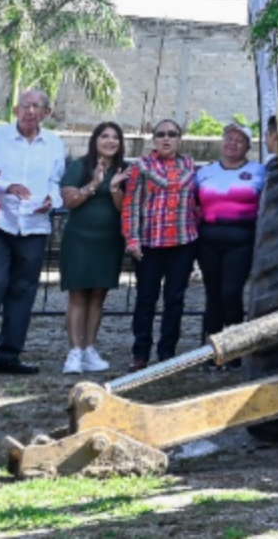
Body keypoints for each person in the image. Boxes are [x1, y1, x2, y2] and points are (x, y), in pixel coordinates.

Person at [0, 88, 67, 376]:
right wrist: (6, 186)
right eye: (26, 105)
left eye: (38, 106)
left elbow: (55, 181)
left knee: (23, 291)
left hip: (35, 225)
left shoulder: (54, 144)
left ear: (47, 113)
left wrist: (52, 200)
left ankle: (9, 355)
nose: (31, 111)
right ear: (15, 110)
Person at [123, 119, 199, 370]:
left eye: (172, 134)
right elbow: (131, 205)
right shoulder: (141, 167)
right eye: (161, 134)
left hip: (182, 242)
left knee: (175, 299)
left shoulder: (189, 164)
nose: (167, 139)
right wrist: (132, 239)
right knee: (146, 299)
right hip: (150, 243)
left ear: (179, 138)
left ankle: (167, 353)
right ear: (154, 139)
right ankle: (140, 353)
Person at [58, 122, 131, 375]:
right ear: (95, 140)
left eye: (115, 137)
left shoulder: (125, 170)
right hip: (80, 238)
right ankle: (74, 351)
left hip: (109, 239)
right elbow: (69, 201)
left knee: (98, 296)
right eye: (105, 136)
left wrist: (112, 188)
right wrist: (93, 184)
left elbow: (125, 210)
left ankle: (89, 348)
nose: (110, 141)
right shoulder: (80, 166)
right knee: (78, 295)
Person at [193, 123, 261, 364]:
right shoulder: (204, 172)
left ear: (248, 147)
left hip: (241, 242)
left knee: (231, 294)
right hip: (208, 242)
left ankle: (234, 350)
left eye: (239, 140)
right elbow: (193, 205)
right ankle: (210, 353)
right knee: (213, 295)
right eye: (228, 138)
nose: (232, 143)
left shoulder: (260, 172)